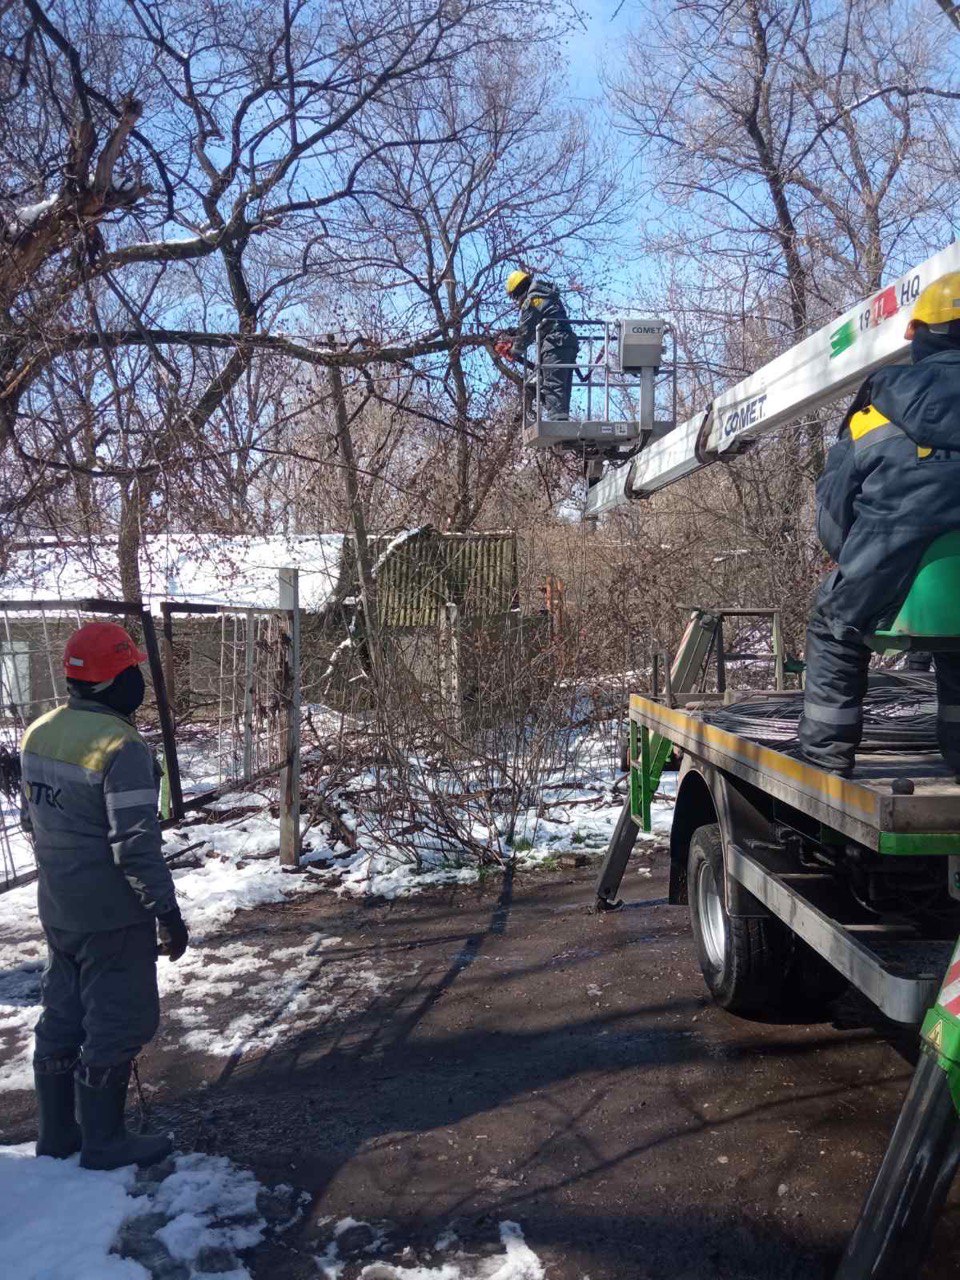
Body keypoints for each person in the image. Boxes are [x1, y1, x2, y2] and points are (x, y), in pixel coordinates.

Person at [21, 621, 189, 1169]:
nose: (138, 679)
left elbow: (35, 820)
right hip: (113, 913)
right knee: (118, 1018)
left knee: (63, 1013)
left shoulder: (39, 731)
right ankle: (105, 1141)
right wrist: (165, 911)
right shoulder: (121, 746)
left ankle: (57, 1134)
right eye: (132, 669)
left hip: (59, 905)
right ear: (114, 680)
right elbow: (135, 846)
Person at [798, 271, 960, 776]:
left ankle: (826, 766)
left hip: (887, 561)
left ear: (920, 334)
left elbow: (833, 512)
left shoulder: (875, 412)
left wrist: (856, 557)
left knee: (835, 627)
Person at [495, 269, 579, 419]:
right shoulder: (547, 295)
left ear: (517, 291)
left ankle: (558, 426)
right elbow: (535, 324)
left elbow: (525, 334)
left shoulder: (532, 301)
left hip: (554, 345)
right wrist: (514, 334)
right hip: (566, 343)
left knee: (553, 386)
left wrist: (512, 352)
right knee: (550, 384)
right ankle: (559, 418)